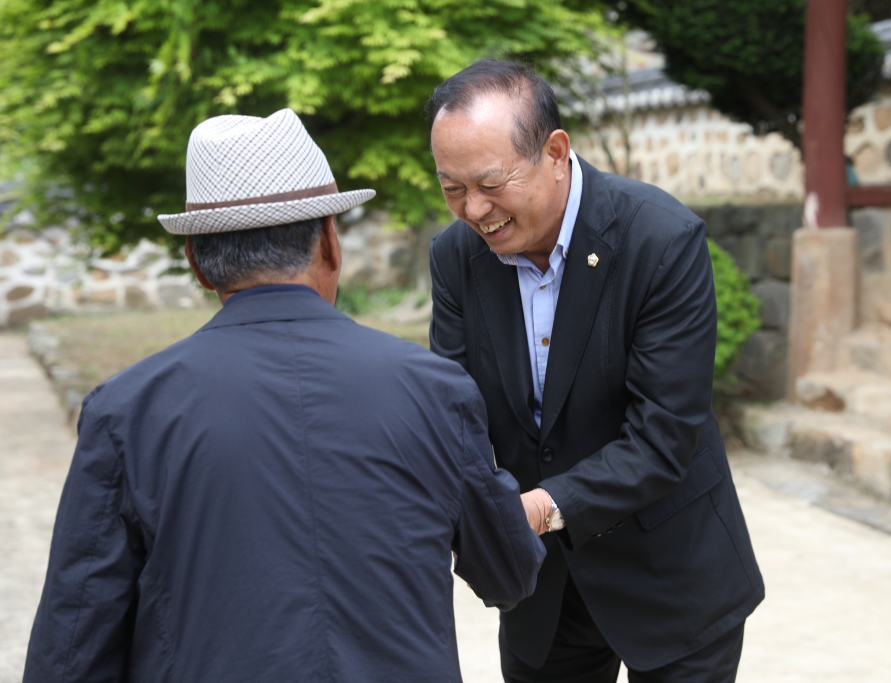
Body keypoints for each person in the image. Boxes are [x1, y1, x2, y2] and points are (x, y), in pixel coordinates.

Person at [23, 108, 545, 683]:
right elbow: (509, 572)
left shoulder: (127, 412)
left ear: (197, 262)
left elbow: (71, 648)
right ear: (330, 243)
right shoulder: (433, 390)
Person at [427, 61, 764, 683]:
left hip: (670, 570)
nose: (474, 209)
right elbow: (452, 413)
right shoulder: (456, 256)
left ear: (555, 153)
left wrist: (538, 508)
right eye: (452, 188)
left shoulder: (659, 239)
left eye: (490, 183)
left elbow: (663, 438)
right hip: (544, 588)